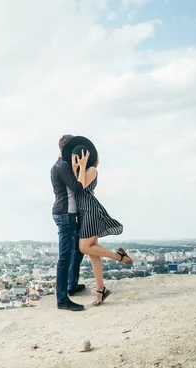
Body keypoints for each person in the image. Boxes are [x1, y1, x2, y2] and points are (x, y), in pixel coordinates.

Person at [71, 145, 133, 306]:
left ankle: (119, 257)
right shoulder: (80, 171)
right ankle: (101, 290)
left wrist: (82, 166)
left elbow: (80, 189)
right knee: (93, 252)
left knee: (84, 248)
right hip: (84, 213)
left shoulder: (90, 170)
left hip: (91, 212)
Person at [50, 134, 86, 312]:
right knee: (65, 257)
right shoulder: (62, 166)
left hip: (69, 214)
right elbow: (77, 187)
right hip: (65, 214)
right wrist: (81, 165)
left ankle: (72, 285)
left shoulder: (63, 165)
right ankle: (62, 299)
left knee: (77, 251)